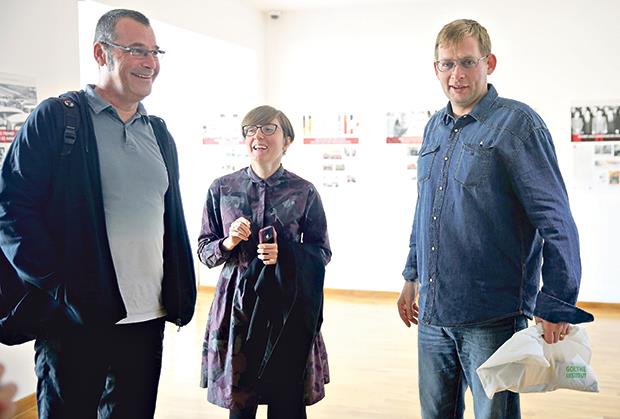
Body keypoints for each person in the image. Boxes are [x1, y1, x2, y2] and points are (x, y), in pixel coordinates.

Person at [0, 9, 196, 418]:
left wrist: (179, 291)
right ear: (100, 53)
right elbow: (12, 209)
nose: (150, 62)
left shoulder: (159, 133)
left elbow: (168, 220)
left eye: (154, 51)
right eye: (136, 50)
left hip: (146, 318)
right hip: (75, 317)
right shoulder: (57, 118)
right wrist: (59, 287)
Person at [396, 19, 593, 419]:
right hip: (433, 313)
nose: (457, 74)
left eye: (467, 62)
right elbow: (425, 210)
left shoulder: (518, 125)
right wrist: (411, 277)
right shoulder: (435, 127)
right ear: (436, 68)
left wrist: (556, 300)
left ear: (489, 63)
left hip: (491, 316)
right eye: (448, 64)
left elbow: (555, 219)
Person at [198, 105, 331, 419]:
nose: (258, 135)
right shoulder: (222, 188)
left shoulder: (304, 191)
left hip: (288, 305)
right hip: (237, 306)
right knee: (241, 402)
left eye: (268, 128)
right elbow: (205, 251)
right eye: (251, 130)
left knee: (287, 400)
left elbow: (322, 251)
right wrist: (229, 242)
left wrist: (285, 255)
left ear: (287, 140)